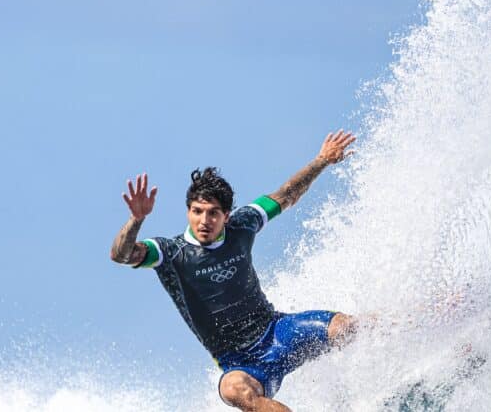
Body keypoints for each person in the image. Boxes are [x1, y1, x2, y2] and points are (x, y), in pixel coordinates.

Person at [110, 130, 358, 412]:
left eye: (213, 213)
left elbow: (286, 194)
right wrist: (136, 219)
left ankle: (412, 324)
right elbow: (122, 255)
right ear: (188, 211)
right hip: (239, 363)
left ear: (226, 216)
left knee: (347, 328)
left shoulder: (243, 224)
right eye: (197, 211)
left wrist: (322, 160)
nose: (204, 220)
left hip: (277, 332)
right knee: (233, 390)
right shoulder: (170, 253)